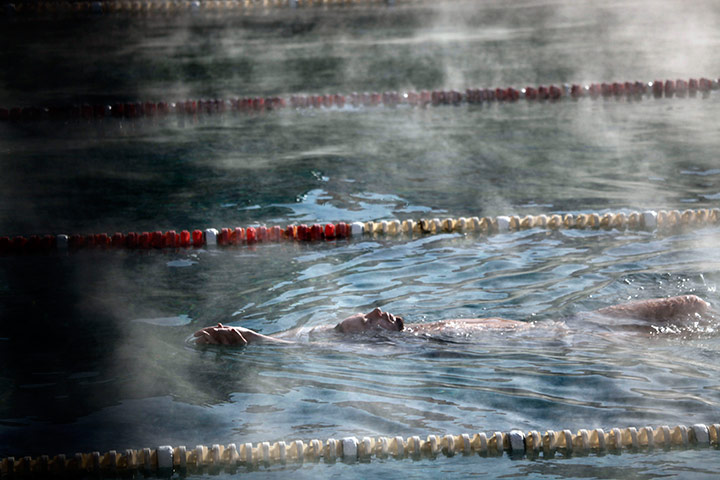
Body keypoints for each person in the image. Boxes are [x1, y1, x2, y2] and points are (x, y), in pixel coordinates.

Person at [192, 295, 712, 346]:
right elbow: (308, 342)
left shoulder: (416, 332)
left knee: (691, 305)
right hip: (569, 338)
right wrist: (259, 340)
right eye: (365, 319)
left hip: (569, 326)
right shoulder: (417, 341)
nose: (376, 311)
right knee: (690, 309)